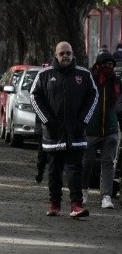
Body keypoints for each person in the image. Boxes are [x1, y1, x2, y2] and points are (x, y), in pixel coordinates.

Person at [30, 41, 97, 218]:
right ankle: (54, 203)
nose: (65, 56)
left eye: (68, 53)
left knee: (75, 170)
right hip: (52, 134)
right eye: (62, 53)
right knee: (54, 170)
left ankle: (76, 205)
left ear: (73, 54)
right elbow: (34, 96)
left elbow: (93, 96)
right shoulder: (44, 75)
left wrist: (83, 121)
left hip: (76, 132)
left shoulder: (84, 75)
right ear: (56, 55)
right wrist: (47, 120)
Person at [82, 49, 119, 209]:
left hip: (110, 129)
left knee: (108, 163)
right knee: (87, 162)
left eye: (111, 64)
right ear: (99, 65)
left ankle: (106, 196)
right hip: (91, 129)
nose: (109, 67)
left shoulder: (116, 82)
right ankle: (83, 192)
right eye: (106, 64)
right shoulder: (90, 79)